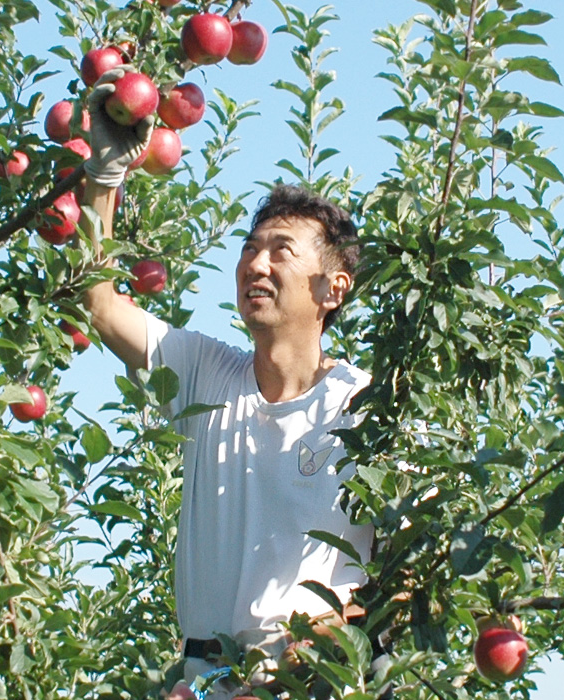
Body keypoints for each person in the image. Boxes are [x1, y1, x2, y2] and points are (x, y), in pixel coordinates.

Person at [81, 70, 374, 697]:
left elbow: (407, 574)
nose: (256, 263)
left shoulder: (369, 407)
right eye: (249, 247)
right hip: (205, 682)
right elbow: (101, 305)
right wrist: (105, 175)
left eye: (281, 250)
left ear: (332, 288)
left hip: (314, 685)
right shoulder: (205, 373)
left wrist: (292, 669)